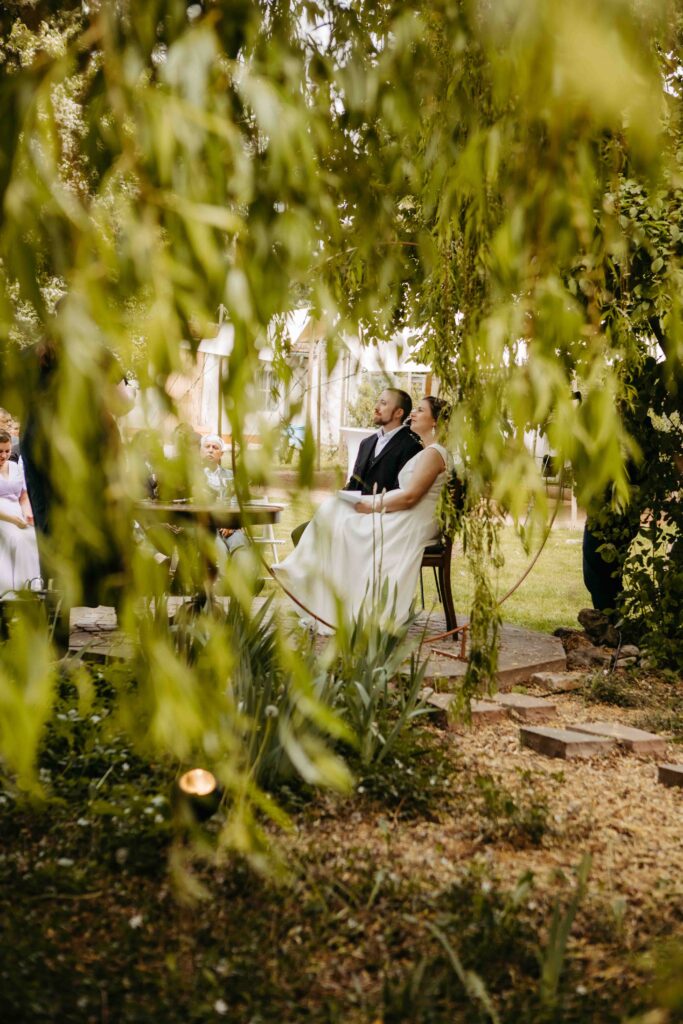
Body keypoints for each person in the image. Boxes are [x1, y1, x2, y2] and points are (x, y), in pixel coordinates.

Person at [274, 396, 452, 634]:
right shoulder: (432, 451)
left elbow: (410, 497)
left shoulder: (433, 453)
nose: (413, 414)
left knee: (344, 523)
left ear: (435, 421)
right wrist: (365, 500)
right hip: (409, 515)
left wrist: (371, 505)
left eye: (420, 410)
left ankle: (314, 582)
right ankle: (305, 574)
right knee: (334, 507)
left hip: (411, 522)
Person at [290, 387, 423, 547]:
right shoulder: (366, 443)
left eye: (383, 403)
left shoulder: (411, 447)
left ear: (398, 413)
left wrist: (369, 507)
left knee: (320, 537)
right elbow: (355, 482)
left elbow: (401, 490)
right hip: (354, 512)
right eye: (377, 401)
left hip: (380, 518)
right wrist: (340, 499)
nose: (376, 407)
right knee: (300, 533)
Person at [0, 429, 41, 594]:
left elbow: (23, 496)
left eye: (7, 451)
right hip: (3, 516)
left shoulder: (15, 467)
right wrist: (13, 520)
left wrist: (27, 513)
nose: (3, 455)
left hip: (17, 512)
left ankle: (32, 587)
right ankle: (13, 589)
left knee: (32, 537)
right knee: (16, 538)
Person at [200, 433, 248, 560]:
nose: (210, 450)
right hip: (205, 528)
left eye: (215, 447)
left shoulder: (231, 476)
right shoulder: (194, 476)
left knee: (241, 545)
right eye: (207, 447)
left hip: (230, 526)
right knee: (220, 550)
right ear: (201, 451)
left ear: (221, 454)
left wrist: (232, 524)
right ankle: (226, 579)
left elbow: (236, 502)